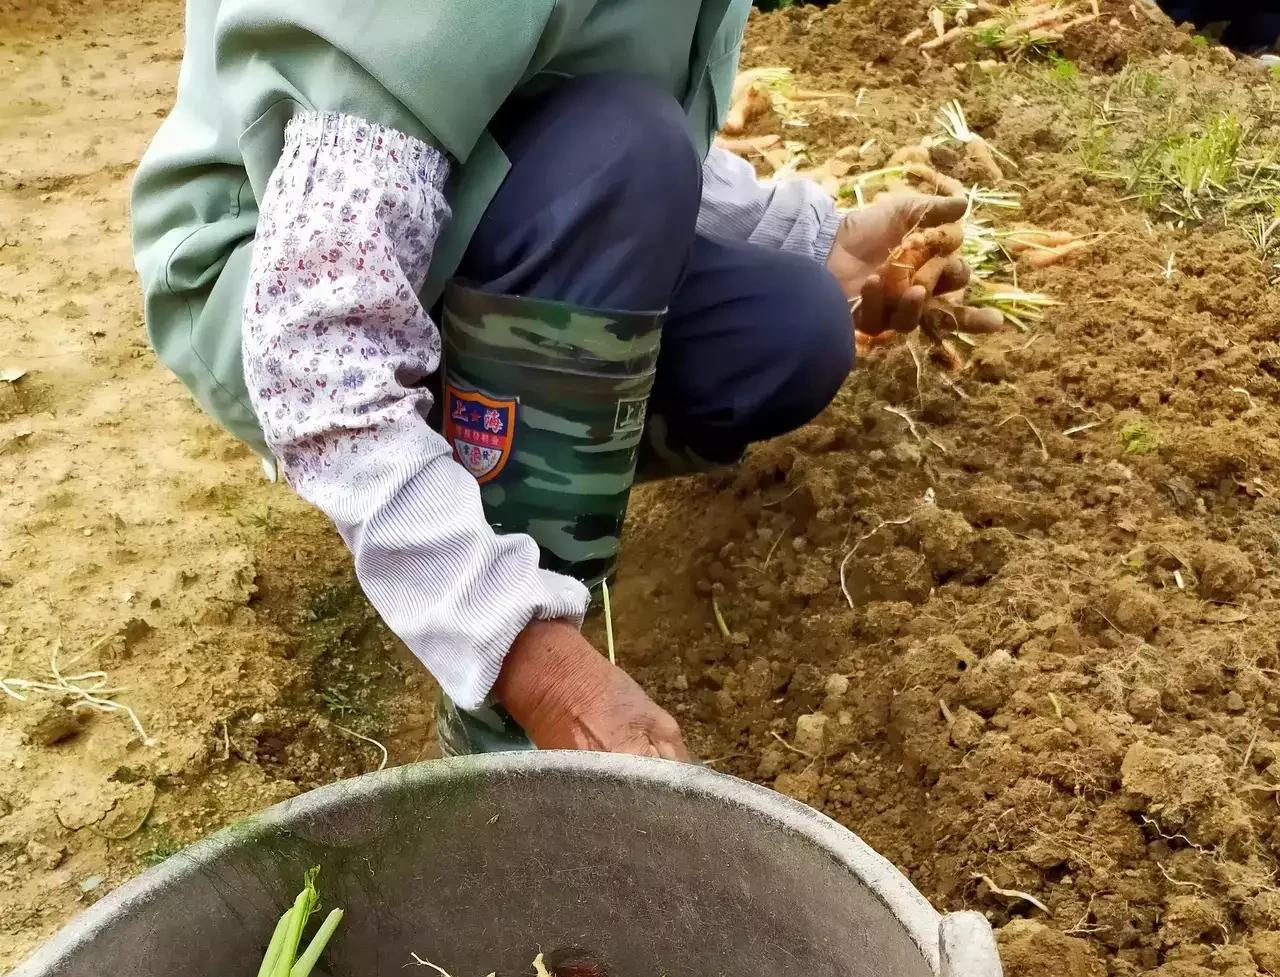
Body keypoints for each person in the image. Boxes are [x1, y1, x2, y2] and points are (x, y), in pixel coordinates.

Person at [132, 1, 998, 761]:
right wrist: (525, 656)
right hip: (268, 287)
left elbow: (549, 112)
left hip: (419, 244)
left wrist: (817, 240)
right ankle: (502, 741)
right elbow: (314, 348)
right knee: (625, 147)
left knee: (788, 328)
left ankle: (504, 494)